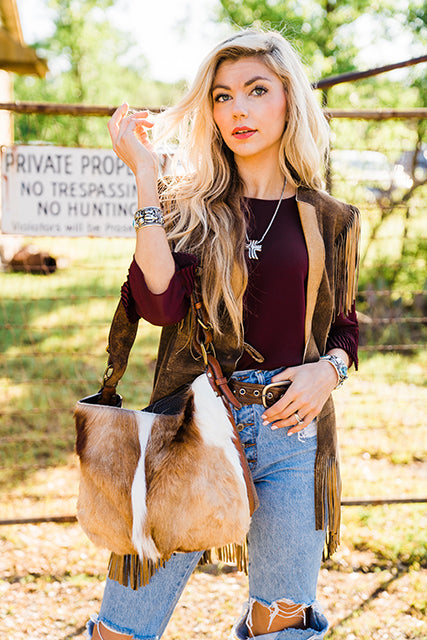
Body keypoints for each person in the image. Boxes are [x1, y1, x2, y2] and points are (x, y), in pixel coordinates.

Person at [87, 28, 360, 640]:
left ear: (289, 99)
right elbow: (159, 305)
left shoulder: (330, 218)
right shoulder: (189, 205)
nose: (237, 109)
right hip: (191, 428)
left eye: (256, 90)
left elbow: (343, 325)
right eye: (222, 96)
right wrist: (147, 179)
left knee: (283, 624)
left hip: (293, 430)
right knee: (124, 627)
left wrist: (329, 371)